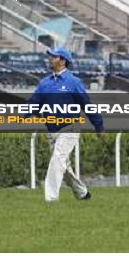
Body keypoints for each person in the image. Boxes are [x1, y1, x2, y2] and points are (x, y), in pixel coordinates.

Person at [28, 47, 104, 203]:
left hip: (70, 128)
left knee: (57, 160)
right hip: (52, 130)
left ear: (62, 61)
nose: (50, 59)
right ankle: (82, 193)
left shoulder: (74, 82)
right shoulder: (44, 83)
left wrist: (98, 126)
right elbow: (33, 104)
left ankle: (51, 199)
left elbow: (87, 105)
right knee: (63, 165)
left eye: (54, 57)